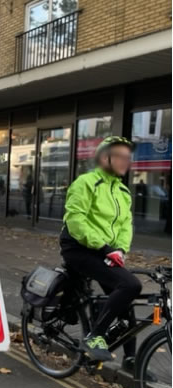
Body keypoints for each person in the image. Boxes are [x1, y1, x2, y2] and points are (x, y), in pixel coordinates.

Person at [59, 136, 141, 365]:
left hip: (106, 251)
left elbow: (126, 225)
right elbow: (76, 221)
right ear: (105, 158)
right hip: (79, 248)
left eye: (128, 157)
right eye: (121, 156)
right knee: (131, 284)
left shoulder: (123, 192)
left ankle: (132, 359)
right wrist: (105, 248)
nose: (126, 161)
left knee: (126, 296)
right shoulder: (86, 183)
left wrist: (121, 249)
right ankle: (94, 337)